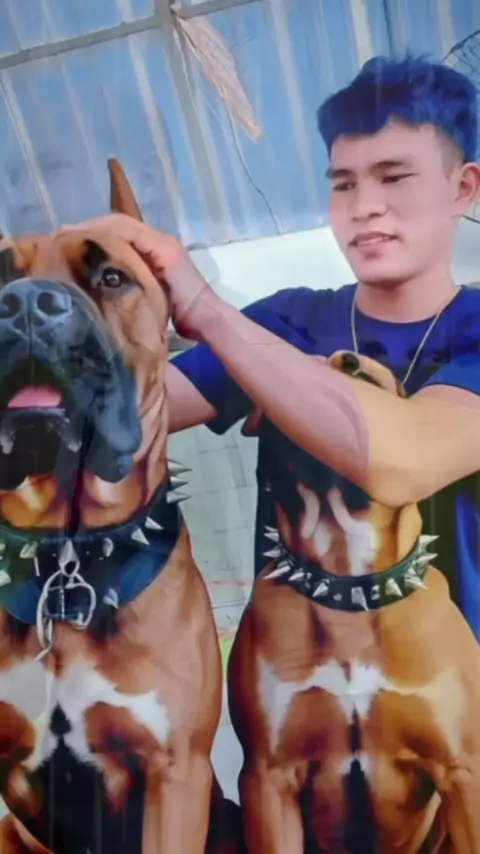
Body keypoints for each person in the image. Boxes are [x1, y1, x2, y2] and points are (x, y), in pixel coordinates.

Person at [64, 54, 480, 638]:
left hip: (455, 679)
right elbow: (115, 417)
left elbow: (405, 461)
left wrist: (207, 310)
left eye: (393, 177)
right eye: (343, 183)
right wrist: (99, 308)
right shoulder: (285, 321)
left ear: (463, 188)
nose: (364, 206)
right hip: (293, 668)